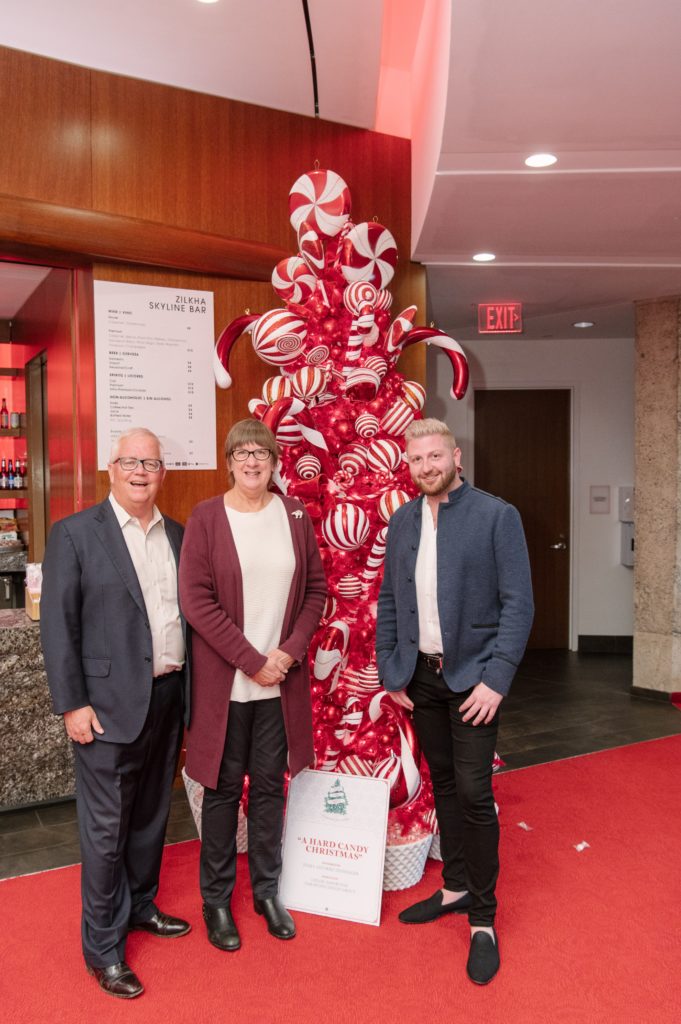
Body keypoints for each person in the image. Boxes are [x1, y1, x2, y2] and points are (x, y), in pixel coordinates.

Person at [376, 418, 534, 985]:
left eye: (435, 457)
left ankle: (484, 918)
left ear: (455, 457)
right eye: (416, 460)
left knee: (472, 791)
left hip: (475, 682)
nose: (426, 467)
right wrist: (389, 668)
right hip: (420, 679)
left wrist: (496, 680)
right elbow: (390, 601)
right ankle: (457, 886)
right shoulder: (402, 521)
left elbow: (518, 605)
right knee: (442, 780)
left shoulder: (497, 516)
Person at [40, 427, 191, 1000]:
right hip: (103, 709)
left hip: (168, 697)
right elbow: (60, 627)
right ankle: (103, 950)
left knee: (152, 816)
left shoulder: (177, 535)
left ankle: (141, 907)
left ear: (162, 472)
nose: (140, 472)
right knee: (105, 832)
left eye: (150, 463)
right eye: (130, 461)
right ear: (112, 467)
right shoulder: (76, 534)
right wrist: (72, 703)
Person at [178, 419, 326, 952]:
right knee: (219, 793)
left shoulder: (294, 515)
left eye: (260, 451)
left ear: (274, 460)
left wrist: (285, 654)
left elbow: (314, 590)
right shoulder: (206, 518)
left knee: (268, 789)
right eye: (241, 452)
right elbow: (196, 602)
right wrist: (250, 659)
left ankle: (266, 891)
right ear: (228, 461)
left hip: (278, 684)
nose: (251, 460)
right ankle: (216, 900)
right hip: (230, 686)